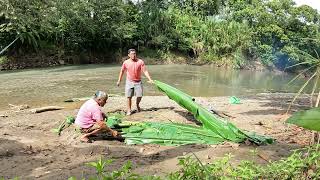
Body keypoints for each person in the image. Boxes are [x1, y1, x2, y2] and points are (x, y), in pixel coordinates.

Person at [117, 49, 153, 115]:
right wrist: (119, 80)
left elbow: (145, 71)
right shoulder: (126, 62)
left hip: (138, 81)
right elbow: (122, 71)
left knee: (140, 95)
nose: (133, 55)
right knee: (129, 96)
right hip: (129, 81)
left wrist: (150, 79)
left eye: (134, 53)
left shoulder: (140, 62)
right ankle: (129, 110)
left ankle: (137, 105)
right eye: (132, 54)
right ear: (129, 55)